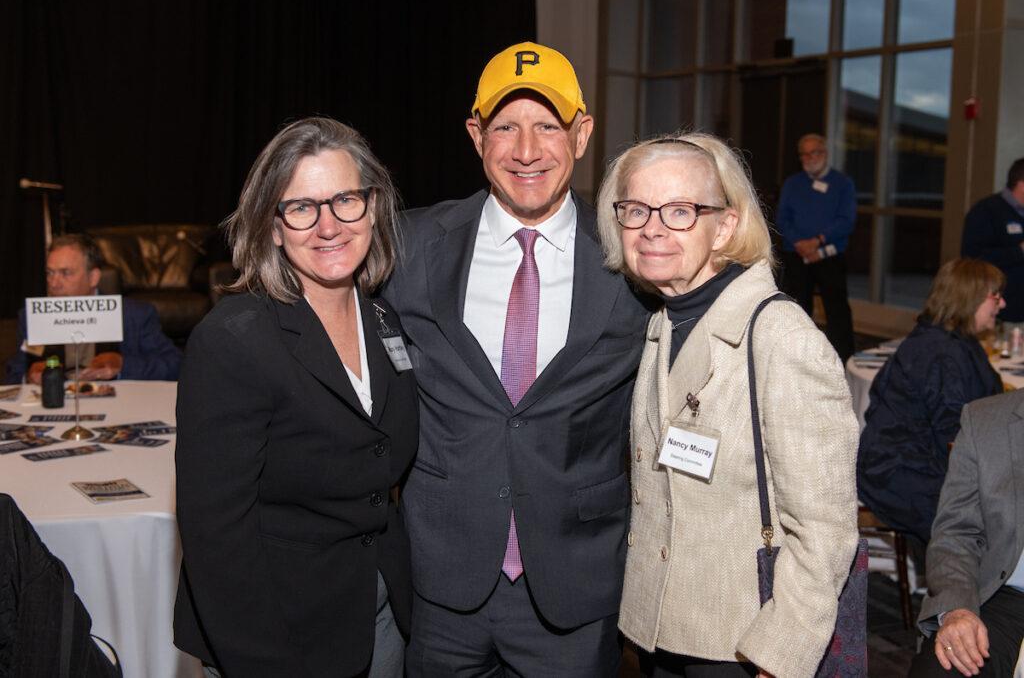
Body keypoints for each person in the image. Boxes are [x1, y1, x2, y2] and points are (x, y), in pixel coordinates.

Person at [382, 42, 651, 676]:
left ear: (582, 134)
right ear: (476, 136)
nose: (526, 151)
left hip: (576, 586)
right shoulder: (410, 246)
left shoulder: (635, 257)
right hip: (440, 583)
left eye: (548, 127)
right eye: (505, 127)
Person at [596, 132, 859, 677]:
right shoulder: (662, 322)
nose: (652, 228)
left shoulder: (781, 338)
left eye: (680, 211)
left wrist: (779, 657)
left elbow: (825, 530)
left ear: (724, 227)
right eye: (637, 209)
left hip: (742, 644)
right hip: (663, 630)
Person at [173, 117, 418, 677]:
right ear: (274, 227)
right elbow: (215, 538)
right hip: (275, 636)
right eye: (303, 207)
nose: (329, 225)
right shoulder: (233, 340)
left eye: (345, 200)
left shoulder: (383, 318)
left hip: (378, 617)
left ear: (372, 208)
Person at [857, 258, 1005, 546]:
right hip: (903, 475)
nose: (1002, 304)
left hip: (913, 464)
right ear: (970, 296)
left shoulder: (952, 341)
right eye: (995, 296)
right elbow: (955, 438)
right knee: (995, 521)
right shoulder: (941, 354)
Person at [909, 389, 1024, 677]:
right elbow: (956, 534)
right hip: (1006, 598)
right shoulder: (985, 420)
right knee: (943, 669)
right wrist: (957, 610)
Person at [4, 234, 181, 384]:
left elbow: (175, 364)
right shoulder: (34, 318)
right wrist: (29, 376)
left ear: (93, 277)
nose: (54, 283)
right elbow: (14, 373)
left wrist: (123, 365)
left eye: (65, 273)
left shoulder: (133, 315)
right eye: (50, 273)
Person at [776, 133, 857, 363]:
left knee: (837, 311)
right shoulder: (792, 184)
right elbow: (782, 219)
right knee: (797, 310)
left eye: (815, 152)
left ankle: (843, 361)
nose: (810, 158)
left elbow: (846, 221)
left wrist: (818, 241)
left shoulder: (843, 184)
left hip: (829, 255)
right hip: (796, 254)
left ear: (825, 153)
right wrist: (800, 243)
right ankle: (796, 360)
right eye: (804, 154)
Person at [961, 157, 1024, 323]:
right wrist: (1018, 251)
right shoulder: (986, 211)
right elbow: (971, 259)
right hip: (999, 315)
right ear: (1021, 184)